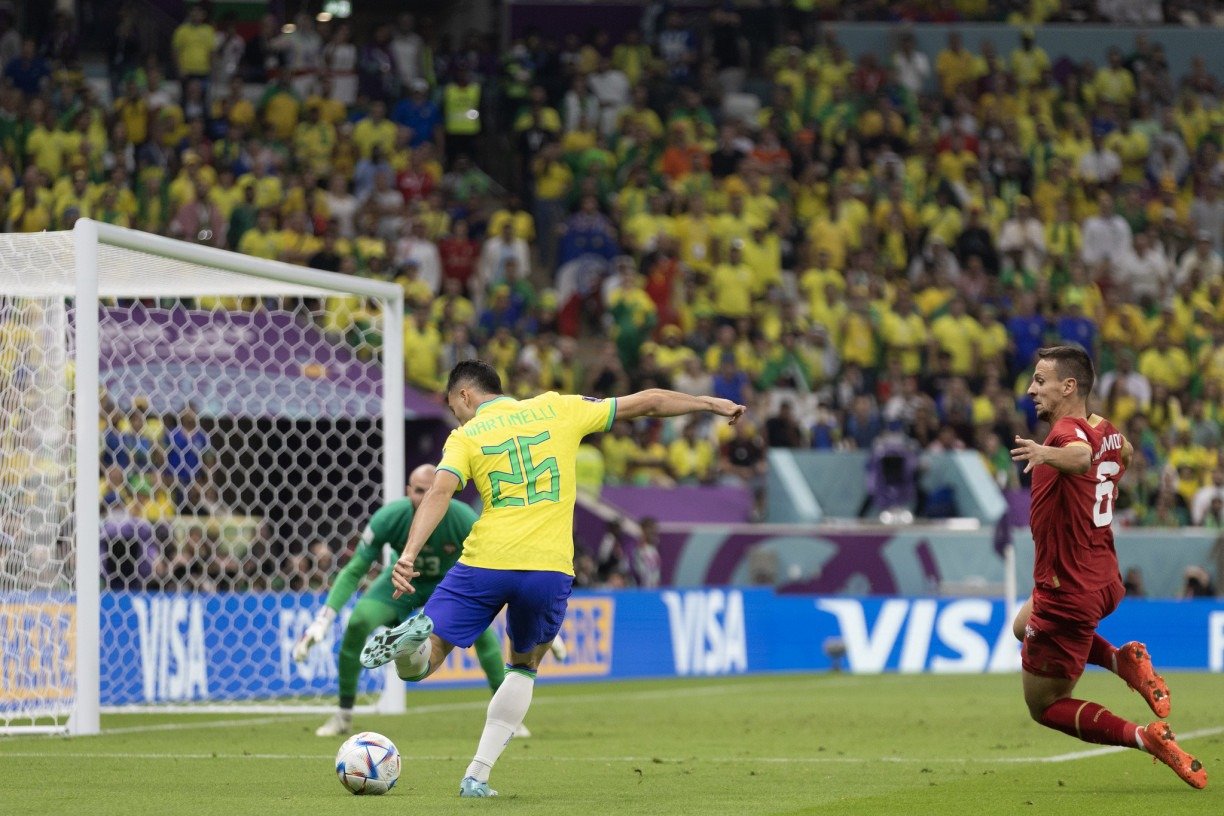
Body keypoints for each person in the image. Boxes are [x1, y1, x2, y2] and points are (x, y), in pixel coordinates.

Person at [360, 359, 745, 797]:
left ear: (465, 396)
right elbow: (650, 402)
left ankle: (412, 642)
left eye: (454, 408)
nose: (456, 416)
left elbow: (440, 492)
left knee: (422, 665)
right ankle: (476, 777)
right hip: (548, 567)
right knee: (523, 667)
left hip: (485, 561)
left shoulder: (466, 435)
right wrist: (708, 403)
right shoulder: (558, 408)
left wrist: (408, 555)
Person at [1009, 345, 1206, 789]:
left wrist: (1044, 454)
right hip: (1103, 578)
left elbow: (1078, 456)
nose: (1031, 389)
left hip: (1068, 590)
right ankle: (1121, 663)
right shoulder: (1108, 431)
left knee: (1044, 706)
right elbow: (1128, 454)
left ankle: (1144, 737)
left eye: (1040, 381)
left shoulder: (1063, 435)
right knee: (1022, 627)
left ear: (1069, 386)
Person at [293, 463, 560, 738]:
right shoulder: (389, 518)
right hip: (401, 583)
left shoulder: (463, 518)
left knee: (483, 635)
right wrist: (324, 619)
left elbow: (498, 563)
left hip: (449, 584)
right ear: (409, 490)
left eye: (431, 490)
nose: (424, 497)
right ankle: (344, 715)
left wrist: (533, 611)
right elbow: (355, 568)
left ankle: (509, 719)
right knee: (359, 620)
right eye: (419, 491)